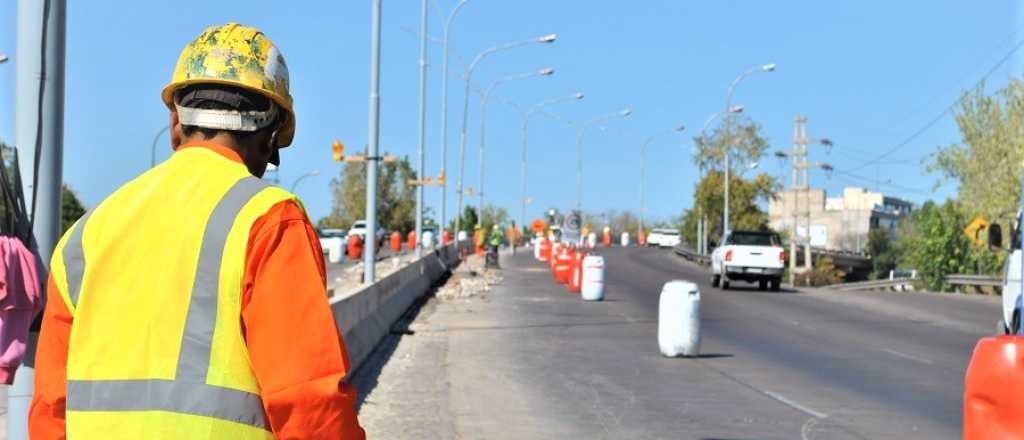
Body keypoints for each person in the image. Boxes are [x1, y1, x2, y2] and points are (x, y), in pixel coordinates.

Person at [29, 23, 365, 439]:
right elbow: (311, 405)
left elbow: (50, 410)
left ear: (175, 123)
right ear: (272, 137)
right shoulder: (268, 220)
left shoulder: (86, 234)